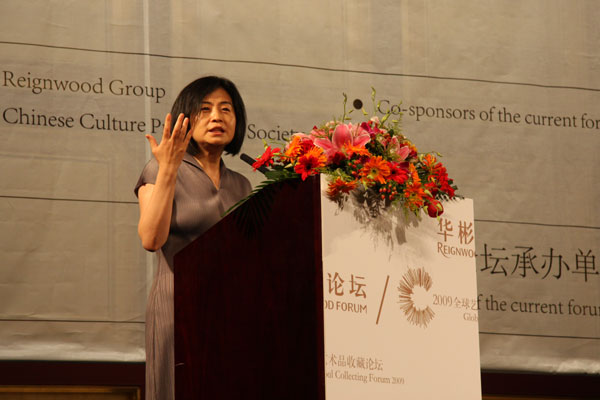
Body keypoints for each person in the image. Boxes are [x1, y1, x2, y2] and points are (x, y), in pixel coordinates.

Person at [134, 76, 252, 400]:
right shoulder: (159, 169)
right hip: (178, 307)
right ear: (185, 118)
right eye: (205, 109)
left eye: (226, 109)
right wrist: (169, 169)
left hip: (231, 311)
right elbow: (151, 238)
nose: (217, 117)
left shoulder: (242, 185)